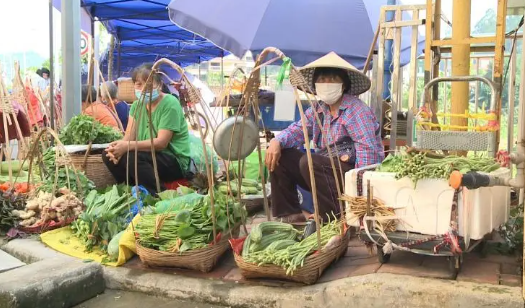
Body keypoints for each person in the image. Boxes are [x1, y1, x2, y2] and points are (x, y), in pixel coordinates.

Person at [265, 52, 385, 223]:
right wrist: (276, 141)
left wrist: (359, 200)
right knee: (281, 155)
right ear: (315, 85)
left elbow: (368, 157)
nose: (326, 84)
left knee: (310, 161)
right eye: (322, 80)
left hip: (349, 177)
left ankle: (333, 217)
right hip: (324, 174)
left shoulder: (356, 110)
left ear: (343, 85)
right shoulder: (318, 109)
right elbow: (296, 131)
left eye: (333, 79)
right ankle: (290, 213)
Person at [102, 63, 191, 194]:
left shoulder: (170, 103)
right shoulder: (136, 106)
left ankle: (159, 193)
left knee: (133, 157)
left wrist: (127, 147)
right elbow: (128, 138)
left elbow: (161, 143)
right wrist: (117, 147)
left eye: (148, 85)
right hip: (148, 154)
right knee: (107, 155)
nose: (143, 89)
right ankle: (131, 189)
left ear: (159, 85)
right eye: (138, 84)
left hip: (172, 159)